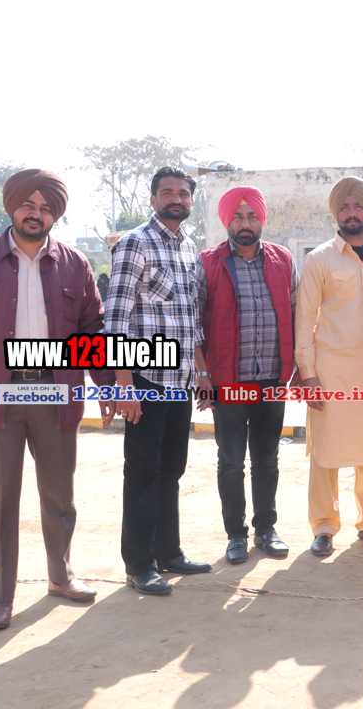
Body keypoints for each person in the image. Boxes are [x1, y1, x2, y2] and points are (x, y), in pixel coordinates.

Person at [0, 170, 112, 629]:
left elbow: (93, 330)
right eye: (28, 205)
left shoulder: (75, 265)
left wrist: (107, 385)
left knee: (59, 493)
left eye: (46, 208)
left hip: (57, 392)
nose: (36, 214)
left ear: (56, 214)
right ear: (12, 207)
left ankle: (61, 575)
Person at [104, 166, 212, 595]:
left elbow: (192, 320)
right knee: (144, 474)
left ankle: (169, 553)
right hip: (145, 379)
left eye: (183, 193)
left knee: (171, 471)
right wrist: (124, 385)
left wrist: (202, 372)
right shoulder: (135, 243)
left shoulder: (189, 249)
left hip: (180, 381)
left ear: (191, 201)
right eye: (167, 192)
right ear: (153, 199)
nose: (176, 199)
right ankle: (139, 565)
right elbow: (116, 320)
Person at [295, 177, 363, 557]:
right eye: (344, 207)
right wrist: (308, 374)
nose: (351, 213)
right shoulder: (319, 258)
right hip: (331, 372)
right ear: (335, 214)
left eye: (357, 206)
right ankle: (323, 526)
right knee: (326, 453)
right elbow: (304, 319)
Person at [196, 186, 297, 565]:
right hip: (228, 381)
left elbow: (298, 312)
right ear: (227, 221)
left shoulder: (283, 259)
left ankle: (266, 530)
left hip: (272, 378)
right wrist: (202, 373)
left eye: (252, 216)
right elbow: (194, 323)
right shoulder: (208, 262)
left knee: (267, 459)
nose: (245, 223)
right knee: (231, 460)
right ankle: (236, 535)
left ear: (261, 220)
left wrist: (299, 367)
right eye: (237, 216)